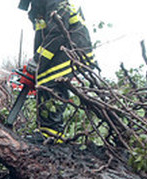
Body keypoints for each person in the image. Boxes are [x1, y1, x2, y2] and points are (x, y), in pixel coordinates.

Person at [18, 0, 94, 142]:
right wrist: (36, 64)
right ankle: (44, 131)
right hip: (63, 47)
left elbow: (58, 32)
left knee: (50, 80)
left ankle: (52, 134)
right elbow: (42, 36)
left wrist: (38, 60)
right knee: (44, 78)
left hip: (74, 48)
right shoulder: (37, 5)